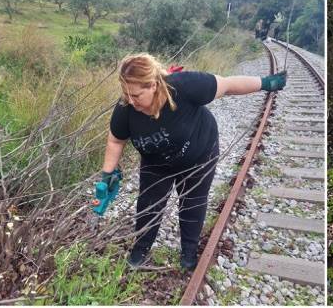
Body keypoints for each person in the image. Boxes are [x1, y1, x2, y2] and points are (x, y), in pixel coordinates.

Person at [101, 53, 288, 270]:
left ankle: (189, 251)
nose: (130, 101)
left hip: (200, 153)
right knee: (149, 204)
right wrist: (108, 174)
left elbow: (227, 85)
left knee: (192, 201)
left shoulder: (186, 86)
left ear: (152, 85)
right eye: (126, 95)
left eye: (135, 95)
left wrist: (266, 83)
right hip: (156, 162)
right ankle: (141, 248)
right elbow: (116, 140)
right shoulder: (126, 108)